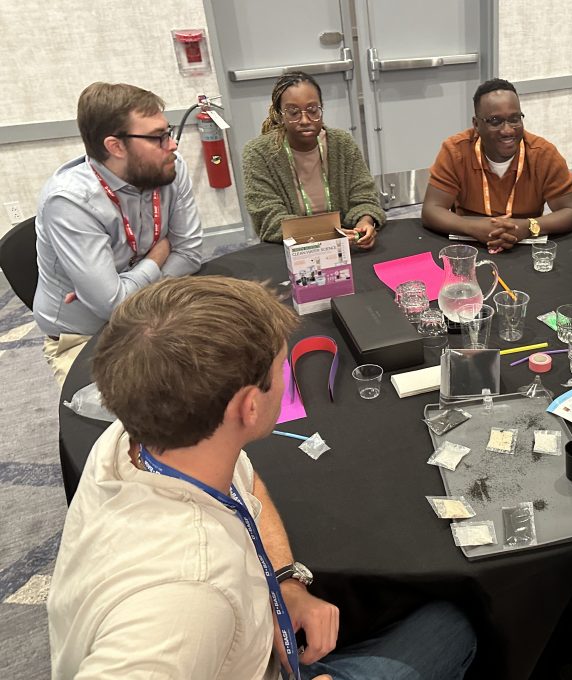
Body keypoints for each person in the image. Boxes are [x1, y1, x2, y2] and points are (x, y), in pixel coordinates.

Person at [46, 276, 476, 680]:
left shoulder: (151, 432)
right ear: (250, 407)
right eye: (281, 369)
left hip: (257, 643)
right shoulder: (189, 598)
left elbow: (246, 482)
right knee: (454, 627)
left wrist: (286, 580)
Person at [33, 82, 203, 385]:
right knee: (126, 428)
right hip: (88, 337)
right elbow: (111, 306)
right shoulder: (70, 200)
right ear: (116, 146)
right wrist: (159, 255)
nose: (173, 145)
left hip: (158, 316)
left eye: (169, 131)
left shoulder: (170, 168)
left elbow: (190, 253)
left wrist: (125, 287)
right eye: (157, 138)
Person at [422, 78, 572, 252]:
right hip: (469, 244)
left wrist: (528, 226)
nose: (507, 130)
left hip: (524, 245)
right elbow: (431, 210)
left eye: (515, 119)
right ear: (476, 124)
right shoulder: (456, 151)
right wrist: (471, 227)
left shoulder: (543, 154)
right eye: (495, 121)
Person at [242, 71, 386, 248]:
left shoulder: (341, 143)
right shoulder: (258, 153)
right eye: (293, 112)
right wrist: (326, 236)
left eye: (312, 110)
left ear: (321, 109)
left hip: (347, 244)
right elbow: (268, 218)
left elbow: (364, 196)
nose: (304, 120)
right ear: (280, 115)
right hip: (289, 249)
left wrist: (365, 221)